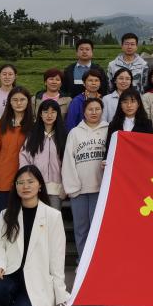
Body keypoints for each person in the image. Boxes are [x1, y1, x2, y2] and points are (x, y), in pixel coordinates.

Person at [0, 165, 69, 306]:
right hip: (11, 274)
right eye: (20, 182)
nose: (25, 186)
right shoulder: (6, 215)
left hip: (37, 281)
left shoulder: (52, 216)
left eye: (30, 182)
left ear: (40, 185)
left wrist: (60, 292)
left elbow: (57, 256)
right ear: (15, 187)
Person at [61, 97, 108, 256]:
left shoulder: (108, 130)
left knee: (98, 229)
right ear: (84, 112)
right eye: (90, 109)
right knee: (81, 229)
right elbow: (68, 160)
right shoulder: (74, 133)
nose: (94, 112)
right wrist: (72, 186)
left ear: (102, 111)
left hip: (100, 189)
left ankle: (96, 264)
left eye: (97, 109)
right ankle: (82, 262)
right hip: (79, 189)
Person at [0, 86, 33, 228]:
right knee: (1, 224)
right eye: (15, 100)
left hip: (27, 182)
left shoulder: (34, 126)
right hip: (3, 183)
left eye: (22, 99)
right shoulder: (0, 126)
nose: (19, 103)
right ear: (9, 102)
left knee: (25, 224)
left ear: (28, 102)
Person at [19, 99, 67, 210]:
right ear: (40, 114)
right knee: (36, 217)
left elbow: (68, 163)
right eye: (45, 112)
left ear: (57, 114)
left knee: (53, 217)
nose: (49, 115)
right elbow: (24, 158)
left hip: (57, 188)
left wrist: (66, 186)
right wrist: (27, 180)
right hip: (36, 186)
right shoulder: (32, 136)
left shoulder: (64, 136)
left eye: (53, 112)